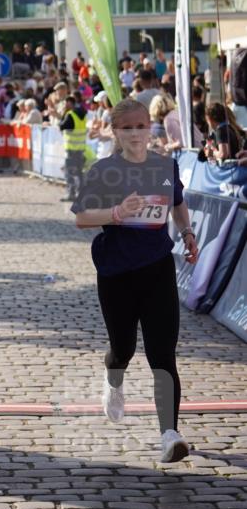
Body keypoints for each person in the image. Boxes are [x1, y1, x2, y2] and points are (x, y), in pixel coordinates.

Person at [72, 99, 199, 464]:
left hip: (157, 267)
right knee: (123, 348)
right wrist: (116, 213)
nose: (135, 133)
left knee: (163, 353)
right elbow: (81, 217)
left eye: (141, 126)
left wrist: (187, 231)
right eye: (126, 128)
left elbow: (177, 202)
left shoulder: (164, 165)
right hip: (116, 272)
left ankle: (169, 434)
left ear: (150, 128)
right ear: (116, 132)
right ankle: (114, 381)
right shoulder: (104, 171)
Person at [59, 92, 87, 201]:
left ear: (70, 103)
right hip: (80, 148)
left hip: (71, 149)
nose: (65, 105)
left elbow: (62, 126)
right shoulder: (83, 114)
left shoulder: (70, 115)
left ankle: (71, 194)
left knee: (69, 172)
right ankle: (81, 193)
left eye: (66, 103)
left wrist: (63, 113)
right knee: (79, 172)